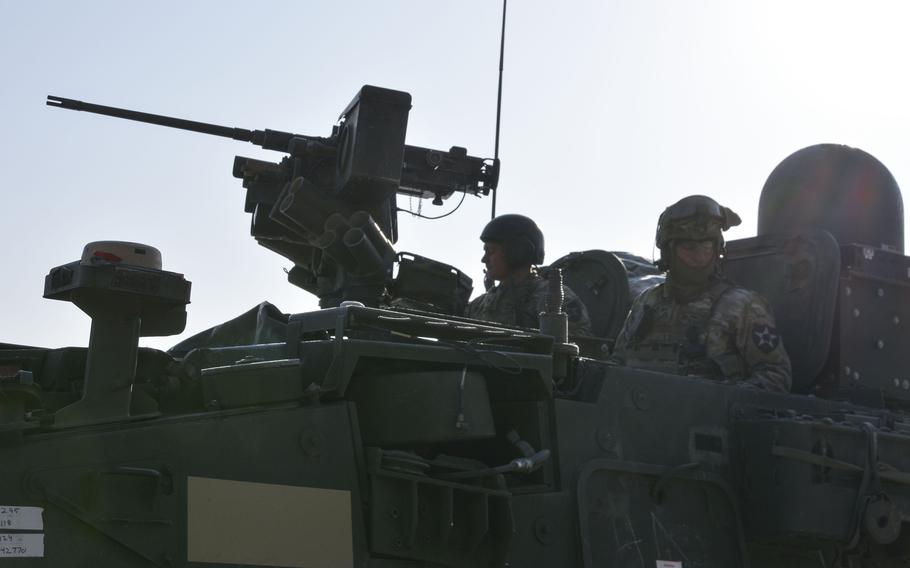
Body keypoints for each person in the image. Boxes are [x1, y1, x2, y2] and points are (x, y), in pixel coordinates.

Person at [612, 195, 792, 392]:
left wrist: (718, 400)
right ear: (669, 252)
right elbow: (617, 363)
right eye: (689, 247)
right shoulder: (647, 302)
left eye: (706, 247)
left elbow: (775, 377)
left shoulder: (743, 306)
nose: (699, 256)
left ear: (717, 250)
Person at [465, 214, 593, 335]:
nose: (484, 259)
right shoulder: (478, 306)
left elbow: (575, 349)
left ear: (518, 252)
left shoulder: (555, 300)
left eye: (491, 251)